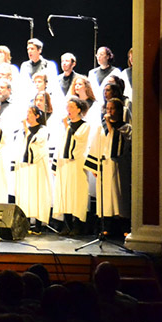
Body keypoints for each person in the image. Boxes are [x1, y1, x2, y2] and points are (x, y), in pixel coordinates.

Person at [86, 98, 132, 237]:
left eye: (112, 109)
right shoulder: (101, 128)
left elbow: (119, 144)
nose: (109, 112)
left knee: (119, 196)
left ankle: (124, 227)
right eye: (107, 109)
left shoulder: (125, 128)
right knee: (105, 198)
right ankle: (105, 227)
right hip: (104, 166)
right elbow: (96, 145)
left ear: (118, 111)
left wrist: (110, 126)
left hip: (119, 167)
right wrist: (94, 166)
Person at [52, 98, 93, 236]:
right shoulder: (67, 126)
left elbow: (78, 141)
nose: (68, 110)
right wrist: (56, 165)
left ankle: (77, 225)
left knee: (77, 194)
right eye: (67, 107)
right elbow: (61, 145)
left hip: (76, 164)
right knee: (65, 194)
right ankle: (67, 225)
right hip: (65, 164)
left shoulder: (84, 126)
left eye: (71, 107)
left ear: (79, 109)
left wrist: (67, 127)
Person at [13, 105, 53, 230]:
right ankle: (25, 222)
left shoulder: (42, 130)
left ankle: (38, 224)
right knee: (25, 194)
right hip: (25, 167)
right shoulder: (21, 131)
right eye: (27, 112)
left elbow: (36, 142)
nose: (28, 115)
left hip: (38, 166)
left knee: (38, 193)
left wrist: (26, 129)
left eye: (30, 112)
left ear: (37, 116)